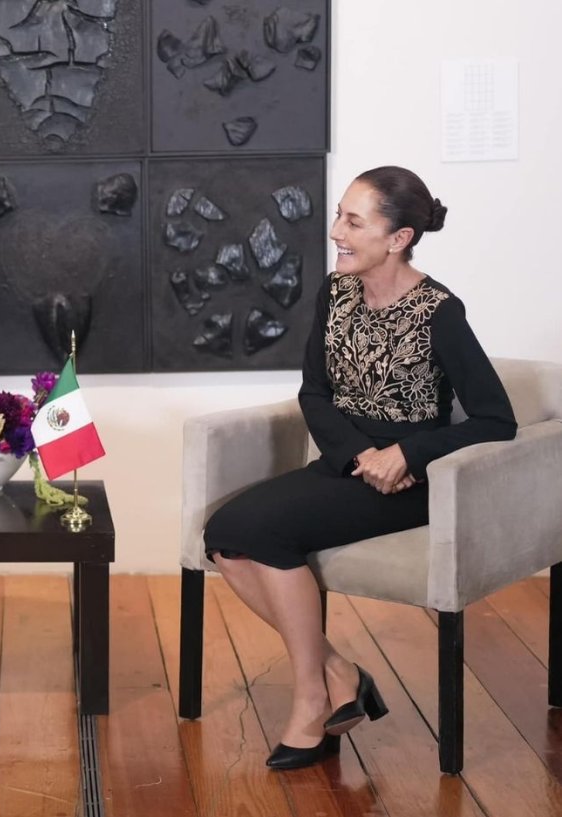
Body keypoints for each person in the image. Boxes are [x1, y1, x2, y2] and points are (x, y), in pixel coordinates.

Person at [203, 166, 516, 770]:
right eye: (339, 216)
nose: (336, 232)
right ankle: (340, 671)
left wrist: (406, 454)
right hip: (348, 463)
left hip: (411, 482)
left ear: (398, 238)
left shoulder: (439, 312)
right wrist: (354, 455)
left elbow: (495, 420)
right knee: (224, 538)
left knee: (264, 533)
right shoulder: (336, 291)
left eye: (353, 220)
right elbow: (313, 393)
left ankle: (311, 698)